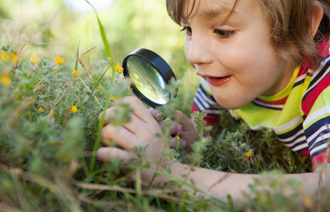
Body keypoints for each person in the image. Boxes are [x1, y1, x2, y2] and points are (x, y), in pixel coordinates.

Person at [97, 0, 330, 202]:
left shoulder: (323, 84)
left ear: (301, 25)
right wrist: (188, 142)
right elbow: (203, 135)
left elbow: (323, 191)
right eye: (188, 29)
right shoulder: (218, 77)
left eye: (222, 31)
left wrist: (172, 175)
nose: (194, 55)